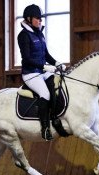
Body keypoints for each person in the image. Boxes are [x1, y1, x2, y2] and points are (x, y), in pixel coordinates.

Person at [17, 4, 66, 141]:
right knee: (44, 93)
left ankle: (55, 118)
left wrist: (56, 63)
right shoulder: (23, 36)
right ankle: (45, 128)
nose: (40, 21)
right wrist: (45, 67)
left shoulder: (39, 33)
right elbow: (27, 59)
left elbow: (46, 54)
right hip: (30, 74)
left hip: (42, 71)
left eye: (41, 19)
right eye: (37, 18)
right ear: (29, 19)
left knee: (56, 86)